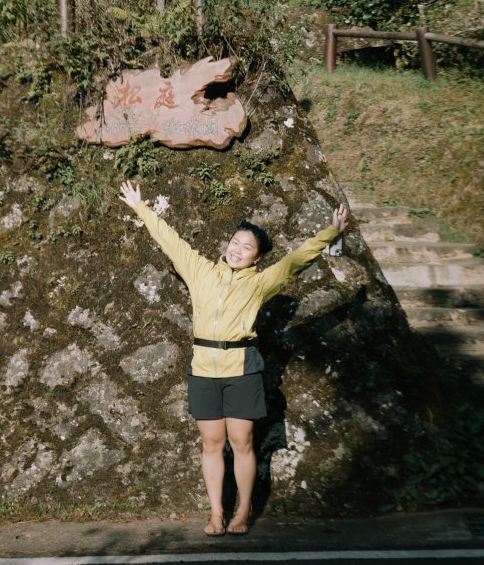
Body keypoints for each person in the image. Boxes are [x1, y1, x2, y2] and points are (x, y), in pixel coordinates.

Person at [118, 180, 349, 536]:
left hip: (241, 369)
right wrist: (140, 207)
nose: (238, 250)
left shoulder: (259, 283)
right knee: (211, 443)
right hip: (203, 369)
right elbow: (171, 240)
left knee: (241, 442)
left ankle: (242, 510)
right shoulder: (200, 271)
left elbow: (295, 261)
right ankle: (215, 513)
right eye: (235, 243)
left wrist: (330, 233)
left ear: (257, 257)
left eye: (247, 248)